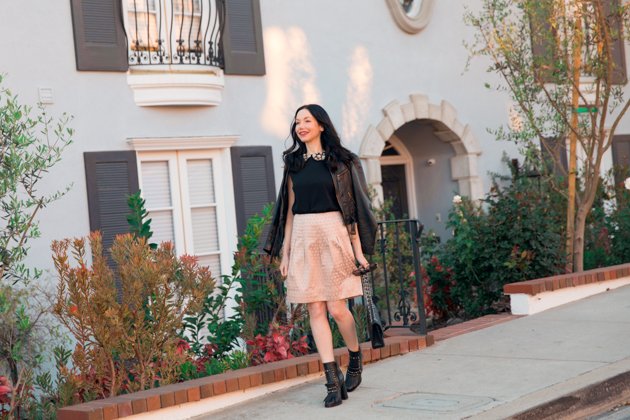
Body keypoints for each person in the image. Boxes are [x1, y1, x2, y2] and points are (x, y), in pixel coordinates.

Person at [264, 104, 378, 408]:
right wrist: (285, 253)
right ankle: (332, 380)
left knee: (337, 309)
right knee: (315, 308)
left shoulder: (341, 161)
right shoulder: (293, 163)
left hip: (335, 233)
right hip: (302, 234)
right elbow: (287, 211)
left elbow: (351, 211)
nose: (301, 126)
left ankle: (354, 357)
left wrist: (359, 253)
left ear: (321, 125)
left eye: (307, 121)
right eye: (297, 122)